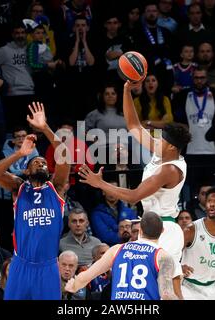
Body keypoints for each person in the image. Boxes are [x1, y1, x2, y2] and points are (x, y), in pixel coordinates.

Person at [78, 79, 191, 298]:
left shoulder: (170, 169)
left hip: (165, 229)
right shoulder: (163, 152)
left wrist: (100, 183)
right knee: (145, 287)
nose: (156, 140)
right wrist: (126, 90)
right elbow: (134, 126)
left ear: (171, 146)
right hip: (151, 226)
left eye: (161, 138)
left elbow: (135, 195)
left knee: (165, 287)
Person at [0, 102, 70, 300]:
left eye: (44, 163)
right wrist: (19, 153)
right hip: (21, 264)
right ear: (27, 170)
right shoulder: (19, 188)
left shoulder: (56, 188)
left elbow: (64, 156)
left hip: (48, 266)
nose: (41, 164)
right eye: (36, 162)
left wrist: (45, 128)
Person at [65, 211, 180, 300]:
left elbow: (86, 276)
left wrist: (74, 286)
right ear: (162, 231)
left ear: (140, 231)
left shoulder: (117, 249)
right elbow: (166, 294)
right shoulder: (164, 256)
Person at [0, 22, 35, 131]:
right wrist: (2, 82)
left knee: (28, 129)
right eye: (17, 33)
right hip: (12, 94)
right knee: (14, 129)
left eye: (23, 32)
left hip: (30, 92)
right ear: (13, 35)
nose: (20, 35)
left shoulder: (31, 48)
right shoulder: (4, 50)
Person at [90, 180, 138, 246]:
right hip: (108, 250)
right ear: (103, 192)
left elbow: (135, 232)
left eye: (114, 189)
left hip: (130, 247)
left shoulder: (129, 212)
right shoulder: (96, 214)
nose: (112, 192)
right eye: (108, 189)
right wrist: (124, 236)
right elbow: (104, 236)